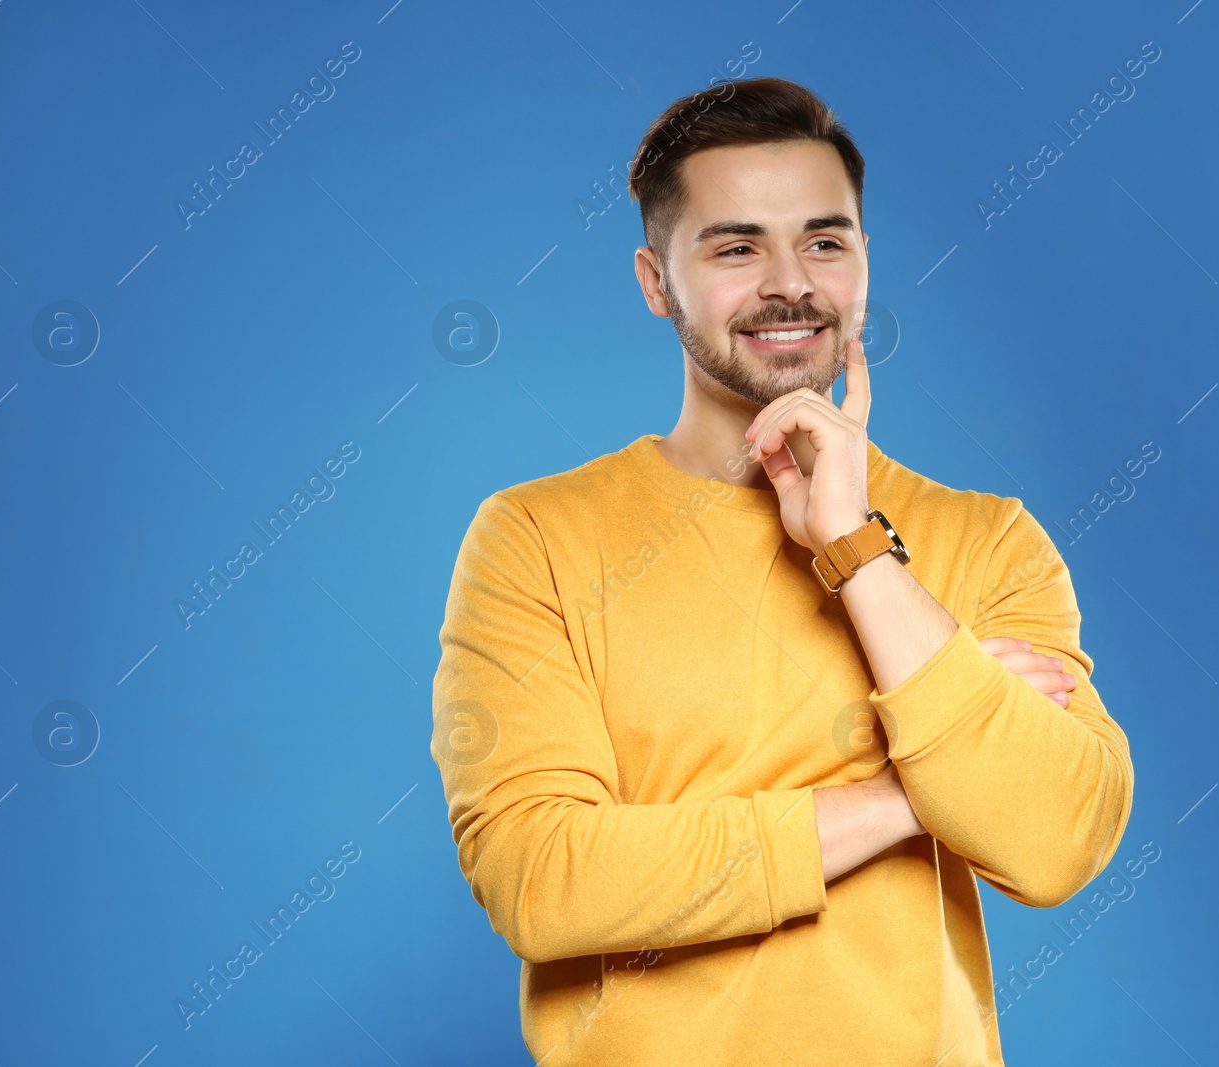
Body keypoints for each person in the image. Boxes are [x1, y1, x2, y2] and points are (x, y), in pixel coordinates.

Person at [431, 75, 1133, 1066]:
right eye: (735, 245)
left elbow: (1055, 837)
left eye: (824, 238)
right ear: (654, 280)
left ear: (861, 260)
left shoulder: (987, 538)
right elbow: (542, 879)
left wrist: (850, 546)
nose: (789, 280)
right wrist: (910, 794)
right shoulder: (535, 536)